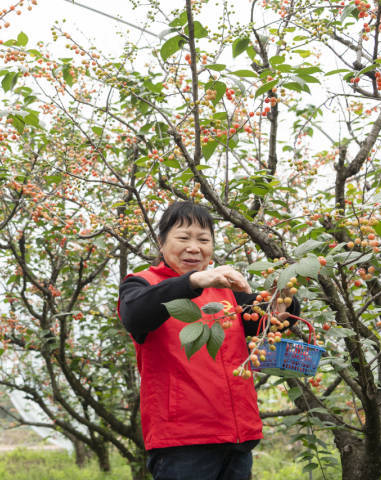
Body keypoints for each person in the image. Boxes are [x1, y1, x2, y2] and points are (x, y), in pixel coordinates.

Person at [118, 201, 300, 480]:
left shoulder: (227, 293)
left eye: (203, 240)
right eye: (183, 237)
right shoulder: (143, 285)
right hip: (183, 443)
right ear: (161, 241)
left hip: (239, 438)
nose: (194, 247)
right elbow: (135, 316)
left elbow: (270, 320)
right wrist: (193, 281)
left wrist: (284, 299)